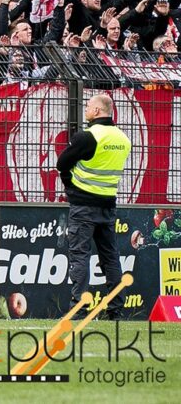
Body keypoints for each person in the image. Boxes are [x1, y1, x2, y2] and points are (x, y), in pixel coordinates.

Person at [56, 91, 132, 316]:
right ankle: (116, 310)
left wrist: (70, 186)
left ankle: (79, 309)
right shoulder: (123, 139)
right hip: (108, 205)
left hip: (83, 205)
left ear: (97, 111)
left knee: (80, 256)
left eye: (88, 106)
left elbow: (62, 164)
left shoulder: (88, 136)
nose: (86, 109)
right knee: (110, 257)